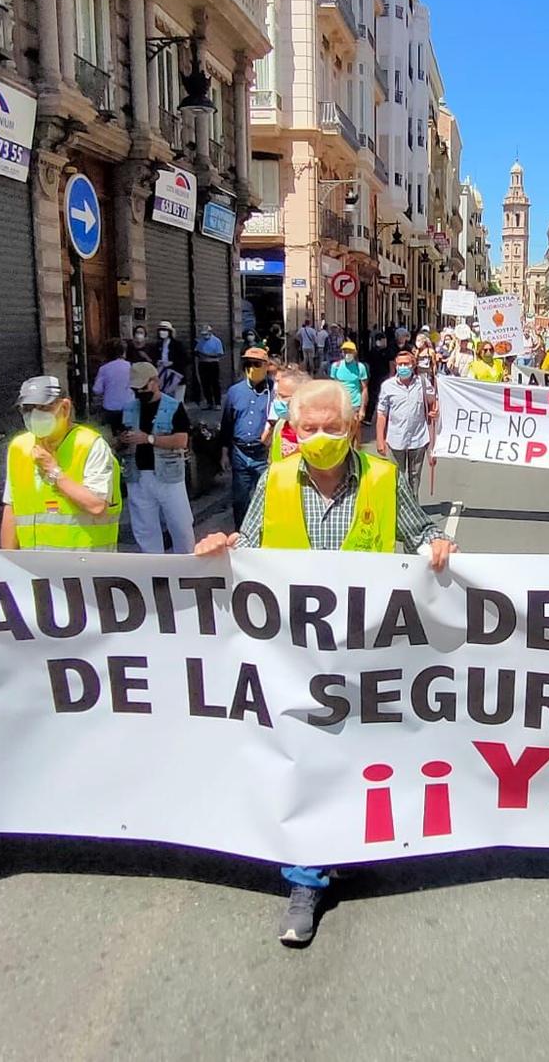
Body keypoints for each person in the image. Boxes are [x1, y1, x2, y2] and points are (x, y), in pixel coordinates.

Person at [195, 379, 456, 947]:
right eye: (306, 428)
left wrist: (437, 545)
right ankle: (305, 878)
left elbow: (421, 531)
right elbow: (252, 545)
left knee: (364, 755)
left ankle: (359, 843)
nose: (318, 438)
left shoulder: (384, 480)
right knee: (306, 754)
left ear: (353, 426)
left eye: (330, 428)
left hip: (371, 651)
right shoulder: (276, 478)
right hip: (297, 651)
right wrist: (223, 550)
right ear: (292, 429)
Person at [0, 375, 120, 551]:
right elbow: (11, 507)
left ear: (64, 408)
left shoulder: (89, 444)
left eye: (43, 408)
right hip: (36, 566)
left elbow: (96, 506)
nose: (33, 415)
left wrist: (54, 471)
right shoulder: (19, 447)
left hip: (85, 566)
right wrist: (7, 562)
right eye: (27, 409)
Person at [119, 361, 195, 554]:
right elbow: (118, 439)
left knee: (181, 524)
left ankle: (186, 567)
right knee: (144, 528)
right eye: (135, 389)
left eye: (142, 388)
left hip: (168, 476)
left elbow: (181, 440)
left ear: (155, 382)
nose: (139, 393)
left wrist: (149, 439)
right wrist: (121, 440)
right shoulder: (129, 408)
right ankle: (154, 571)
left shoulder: (174, 406)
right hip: (137, 475)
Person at [221, 347, 277, 522]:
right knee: (240, 500)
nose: (252, 368)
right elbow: (226, 424)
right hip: (240, 453)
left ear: (266, 366)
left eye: (257, 364)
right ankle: (241, 537)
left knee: (268, 498)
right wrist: (224, 453)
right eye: (248, 364)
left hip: (264, 454)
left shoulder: (274, 391)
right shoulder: (235, 392)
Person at [376, 350, 436, 499]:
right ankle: (400, 507)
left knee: (414, 477)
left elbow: (433, 402)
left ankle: (414, 506)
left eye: (406, 364)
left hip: (418, 438)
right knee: (397, 477)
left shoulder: (423, 383)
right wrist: (379, 439)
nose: (403, 367)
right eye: (400, 364)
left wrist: (434, 411)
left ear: (413, 365)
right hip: (396, 439)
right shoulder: (388, 386)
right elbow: (382, 414)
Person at [91, 338, 134, 428]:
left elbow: (97, 389)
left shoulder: (104, 369)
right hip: (129, 406)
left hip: (110, 407)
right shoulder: (131, 367)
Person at [267, 369, 307, 463]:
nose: (277, 401)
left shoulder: (313, 431)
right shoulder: (280, 425)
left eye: (283, 397)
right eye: (276, 396)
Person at [330, 340, 370, 423]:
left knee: (354, 431)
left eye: (350, 351)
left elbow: (364, 389)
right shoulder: (335, 366)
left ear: (355, 353)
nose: (347, 354)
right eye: (345, 351)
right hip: (340, 405)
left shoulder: (360, 367)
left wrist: (362, 409)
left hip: (355, 405)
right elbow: (332, 388)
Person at [194, 325, 226, 407]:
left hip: (213, 364)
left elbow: (219, 354)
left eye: (206, 334)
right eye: (203, 334)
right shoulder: (200, 341)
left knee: (215, 383)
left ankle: (218, 403)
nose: (205, 336)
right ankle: (209, 402)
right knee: (205, 384)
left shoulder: (216, 341)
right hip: (203, 364)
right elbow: (196, 351)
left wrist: (208, 355)